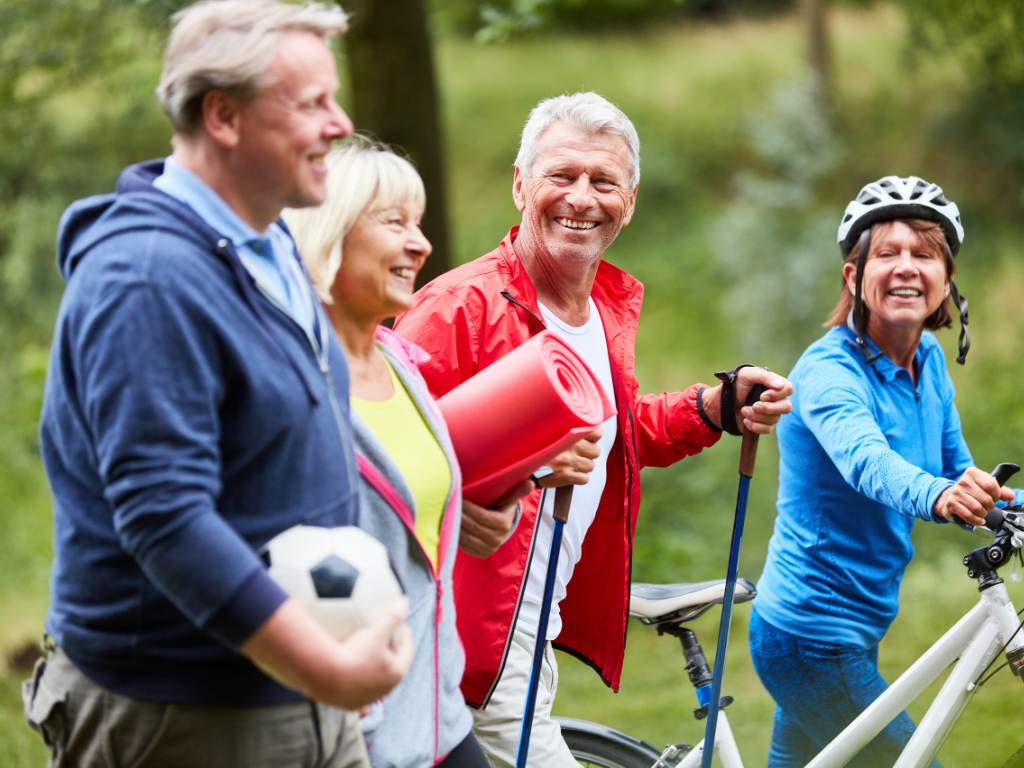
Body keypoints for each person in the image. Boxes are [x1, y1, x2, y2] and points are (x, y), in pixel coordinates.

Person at [24, 3, 413, 767]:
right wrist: (322, 663)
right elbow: (166, 518)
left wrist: (335, 639)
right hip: (184, 712)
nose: (340, 124)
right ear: (224, 116)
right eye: (312, 104)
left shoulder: (265, 244)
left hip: (293, 690)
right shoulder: (147, 279)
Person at [394, 91, 794, 766]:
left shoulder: (601, 307)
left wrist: (713, 408)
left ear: (628, 202)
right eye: (562, 175)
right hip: (468, 632)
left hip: (533, 626)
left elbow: (611, 433)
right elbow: (379, 459)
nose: (582, 198)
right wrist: (481, 493)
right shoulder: (458, 310)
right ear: (521, 184)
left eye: (603, 181)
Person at [748, 175, 1024, 768]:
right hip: (810, 636)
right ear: (854, 277)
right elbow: (868, 463)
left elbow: (959, 474)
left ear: (946, 280)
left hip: (857, 629)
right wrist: (942, 494)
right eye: (887, 253)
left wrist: (1007, 502)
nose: (906, 267)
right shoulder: (828, 372)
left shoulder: (928, 362)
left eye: (924, 254)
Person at [284, 137, 533, 768]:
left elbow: (412, 515)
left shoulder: (399, 360)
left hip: (436, 716)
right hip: (342, 736)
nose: (420, 244)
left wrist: (475, 516)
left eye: (417, 224)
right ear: (328, 231)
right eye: (394, 223)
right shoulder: (285, 382)